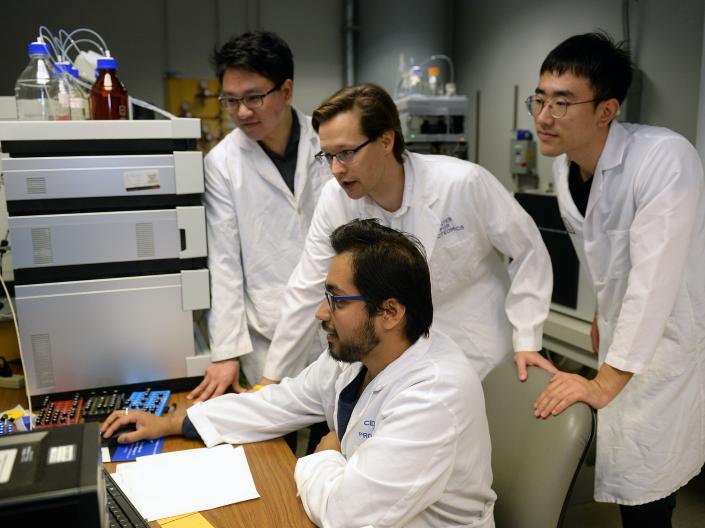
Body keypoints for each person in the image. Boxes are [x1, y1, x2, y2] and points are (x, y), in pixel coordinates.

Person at [102, 219, 497, 528]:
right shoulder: (362, 354)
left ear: (390, 313)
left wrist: (321, 456)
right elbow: (277, 404)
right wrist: (172, 423)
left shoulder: (435, 394)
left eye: (338, 301)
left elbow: (346, 514)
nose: (321, 313)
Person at [258, 83, 554, 387]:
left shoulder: (462, 183)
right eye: (328, 155)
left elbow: (528, 250)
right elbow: (307, 286)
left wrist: (528, 338)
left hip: (480, 350)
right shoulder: (336, 200)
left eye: (346, 153)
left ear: (386, 140)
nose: (335, 169)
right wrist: (272, 377)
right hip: (402, 359)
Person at [529, 32, 705, 527]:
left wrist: (603, 382)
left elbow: (654, 280)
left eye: (562, 103)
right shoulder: (568, 172)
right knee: (632, 471)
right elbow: (606, 256)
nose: (544, 116)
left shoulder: (664, 159)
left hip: (668, 339)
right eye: (540, 99)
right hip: (622, 332)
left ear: (606, 110)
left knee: (648, 481)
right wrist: (599, 313)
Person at [187, 31, 330, 401]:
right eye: (231, 100)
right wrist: (226, 351)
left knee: (340, 437)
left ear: (286, 90)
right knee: (274, 446)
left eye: (253, 97)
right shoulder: (222, 163)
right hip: (269, 331)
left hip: (338, 321)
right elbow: (224, 261)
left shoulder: (328, 142)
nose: (242, 112)